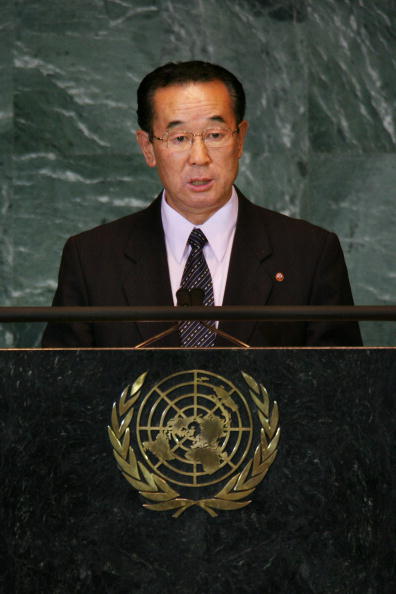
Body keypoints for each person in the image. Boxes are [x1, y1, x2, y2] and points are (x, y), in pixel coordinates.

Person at [42, 61, 362, 348]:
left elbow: (340, 394)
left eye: (214, 134)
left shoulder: (309, 254)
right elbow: (63, 394)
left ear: (240, 139)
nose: (199, 158)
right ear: (148, 148)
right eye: (179, 139)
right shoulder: (92, 259)